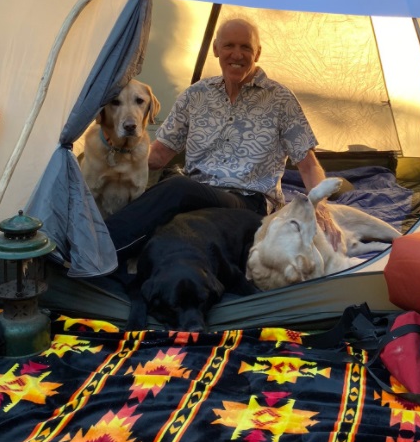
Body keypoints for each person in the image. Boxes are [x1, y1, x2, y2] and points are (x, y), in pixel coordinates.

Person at [104, 17, 341, 260]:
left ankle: (98, 248)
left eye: (245, 47)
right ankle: (105, 248)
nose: (237, 55)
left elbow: (308, 164)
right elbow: (158, 156)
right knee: (168, 197)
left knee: (177, 187)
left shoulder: (281, 99)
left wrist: (320, 208)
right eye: (229, 46)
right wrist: (110, 169)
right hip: (197, 194)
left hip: (249, 201)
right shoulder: (195, 95)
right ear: (216, 49)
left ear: (257, 53)